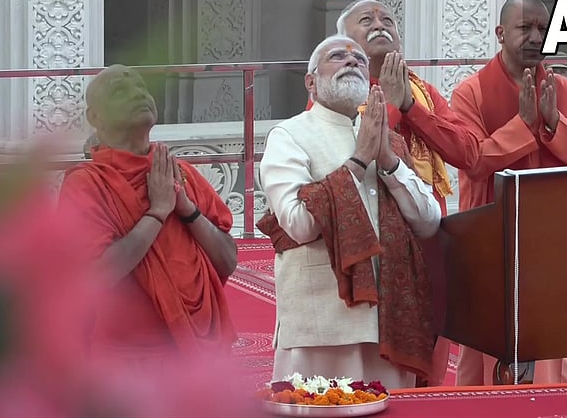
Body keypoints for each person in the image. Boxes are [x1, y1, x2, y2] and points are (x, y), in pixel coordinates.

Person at [318, 0, 486, 385]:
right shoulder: (334, 95)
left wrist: (410, 105)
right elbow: (346, 157)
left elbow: (468, 152)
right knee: (375, 359)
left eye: (387, 19)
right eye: (367, 20)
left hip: (428, 237)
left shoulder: (421, 92)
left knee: (433, 343)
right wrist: (391, 108)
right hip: (371, 244)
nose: (380, 24)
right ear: (345, 41)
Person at [257, 35, 441, 390]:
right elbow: (297, 224)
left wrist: (387, 160)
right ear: (310, 82)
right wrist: (358, 162)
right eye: (337, 56)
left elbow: (429, 220)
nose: (352, 61)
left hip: (390, 324)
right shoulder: (289, 135)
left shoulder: (388, 141)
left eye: (358, 58)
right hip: (321, 325)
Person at [450, 0, 567, 385]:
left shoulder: (563, 91)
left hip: (550, 239)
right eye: (525, 28)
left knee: (551, 340)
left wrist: (554, 124)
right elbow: (474, 160)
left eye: (543, 28)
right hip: (490, 237)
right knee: (485, 345)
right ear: (501, 33)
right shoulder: (471, 92)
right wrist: (523, 126)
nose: (536, 37)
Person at [59, 64, 239, 368]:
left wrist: (188, 210)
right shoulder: (86, 183)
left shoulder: (180, 173)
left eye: (141, 86)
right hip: (127, 357)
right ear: (95, 118)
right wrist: (156, 213)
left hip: (201, 354)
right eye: (120, 90)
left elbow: (228, 260)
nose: (137, 93)